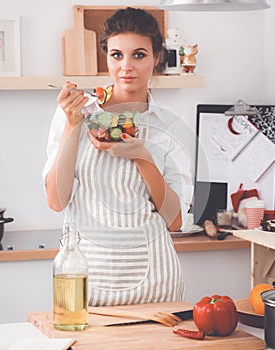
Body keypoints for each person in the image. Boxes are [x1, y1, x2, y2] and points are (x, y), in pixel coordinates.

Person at [43, 7, 194, 306]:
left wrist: (143, 157)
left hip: (156, 281)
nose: (126, 66)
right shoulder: (74, 114)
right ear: (107, 57)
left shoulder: (171, 126)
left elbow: (175, 220)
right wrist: (74, 125)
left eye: (138, 55)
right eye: (116, 55)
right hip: (85, 276)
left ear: (157, 57)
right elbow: (57, 200)